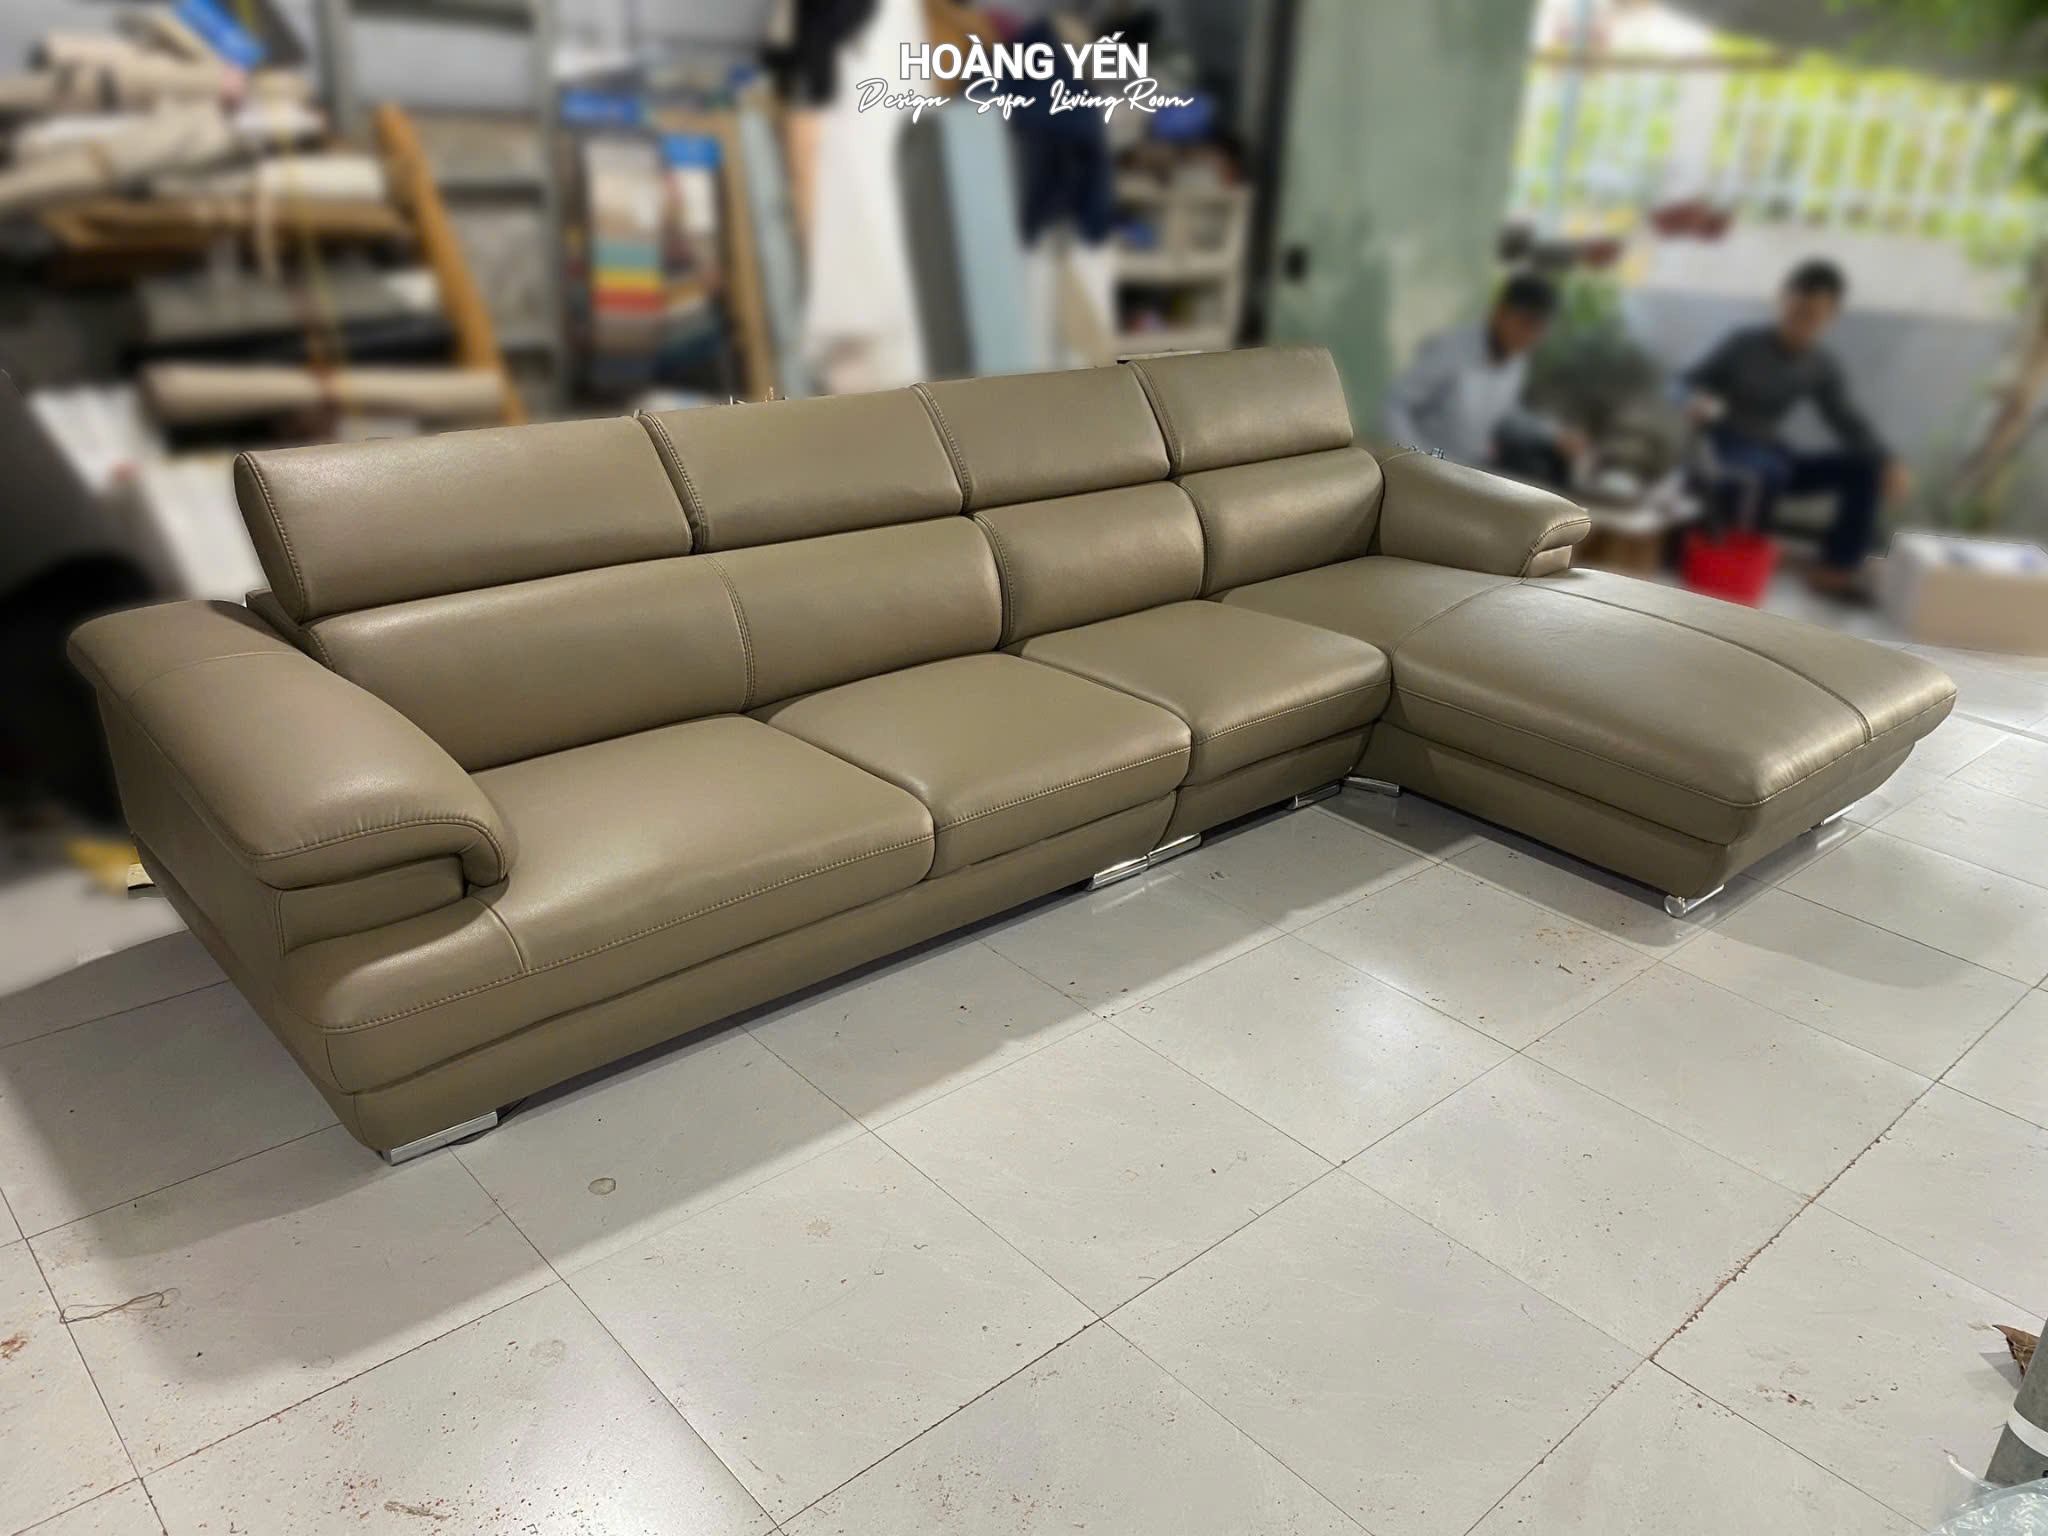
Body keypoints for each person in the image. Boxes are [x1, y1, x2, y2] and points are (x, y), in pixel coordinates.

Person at [1684, 258, 1910, 595]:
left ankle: (1837, 569)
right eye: (1797, 312)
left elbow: (1847, 420)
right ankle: (1739, 564)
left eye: (1813, 317)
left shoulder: (1820, 364)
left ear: (1830, 317)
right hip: (1726, 450)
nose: (1802, 324)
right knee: (1768, 471)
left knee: (1864, 468)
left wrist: (1888, 459)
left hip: (1773, 454)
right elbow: (1684, 383)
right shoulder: (1743, 345)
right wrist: (1694, 401)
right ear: (1783, 300)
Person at [1382, 273, 1588, 477]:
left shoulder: (1515, 365)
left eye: (1539, 329)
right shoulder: (1451, 350)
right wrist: (1419, 460)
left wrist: (1554, 435)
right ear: (1500, 312)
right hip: (1426, 469)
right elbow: (1395, 405)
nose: (1530, 336)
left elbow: (1505, 414)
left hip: (1468, 472)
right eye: (1525, 323)